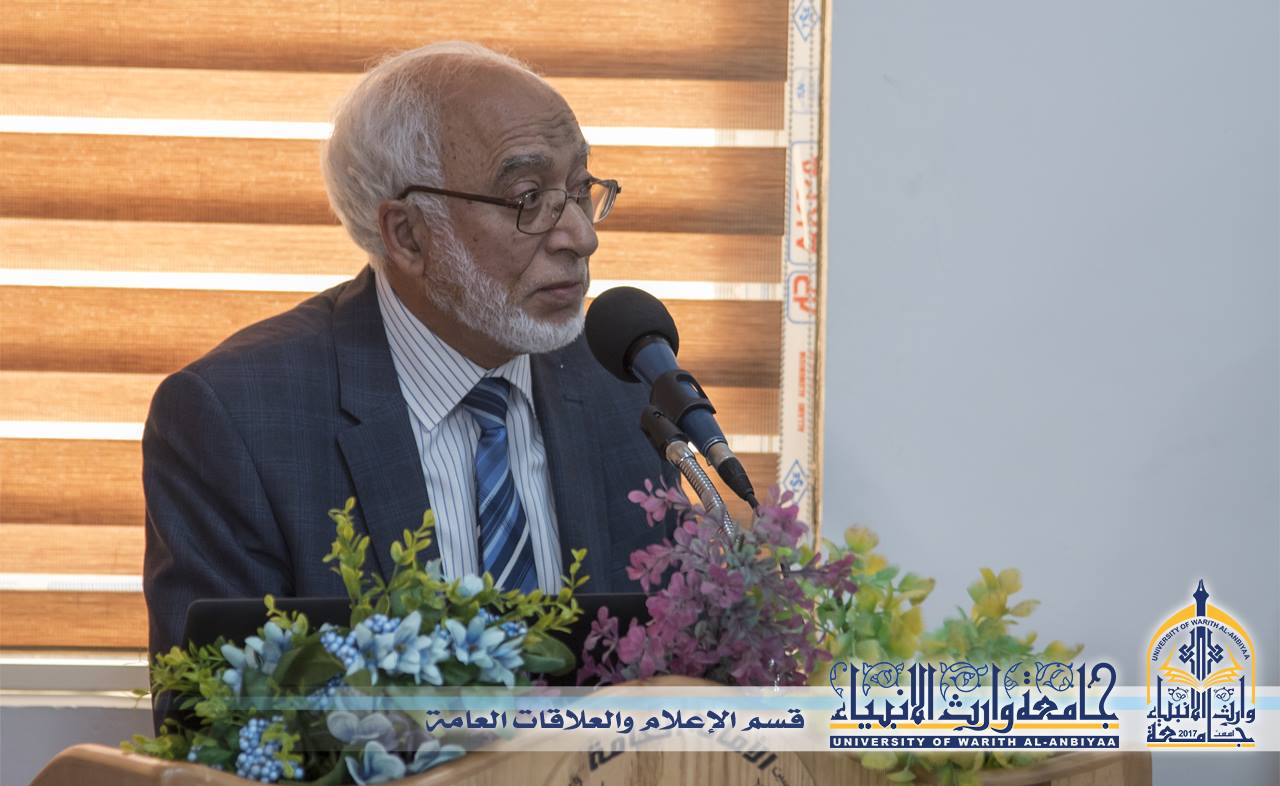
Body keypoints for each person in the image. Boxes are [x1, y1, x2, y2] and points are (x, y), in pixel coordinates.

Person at [141, 41, 678, 667]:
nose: (582, 237)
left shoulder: (625, 381)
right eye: (528, 198)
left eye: (580, 188)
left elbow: (684, 665)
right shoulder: (236, 420)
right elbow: (217, 710)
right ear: (408, 236)